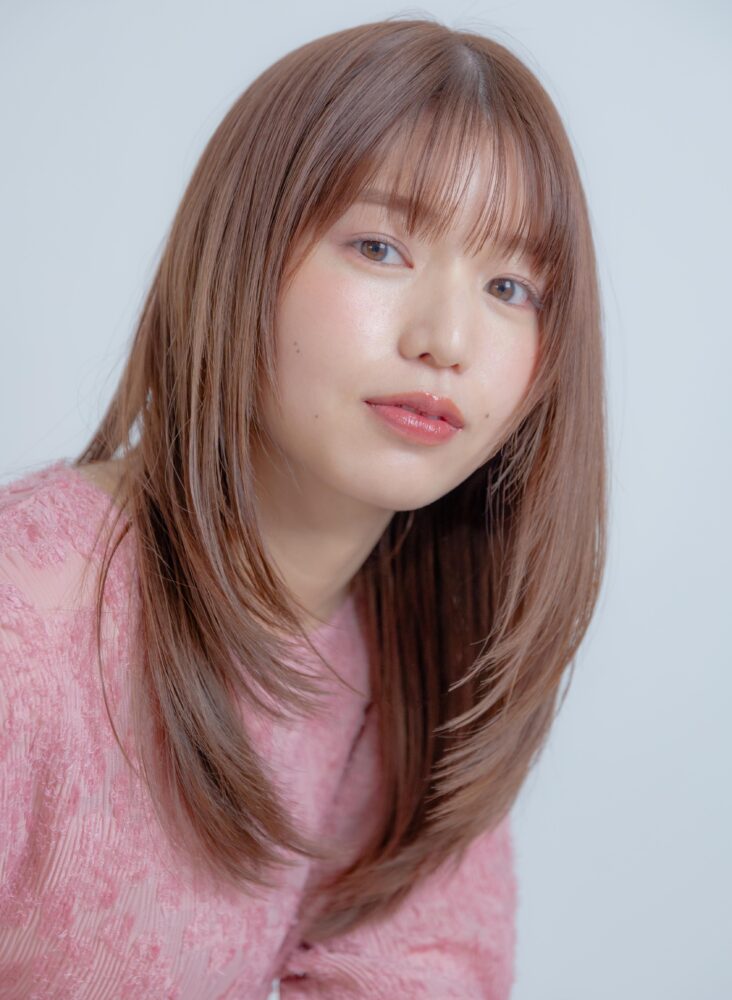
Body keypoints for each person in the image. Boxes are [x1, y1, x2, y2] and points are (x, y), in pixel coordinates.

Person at [0, 15, 607, 999]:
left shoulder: (422, 653)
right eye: (380, 246)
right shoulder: (28, 613)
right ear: (242, 253)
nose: (447, 338)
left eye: (509, 285)